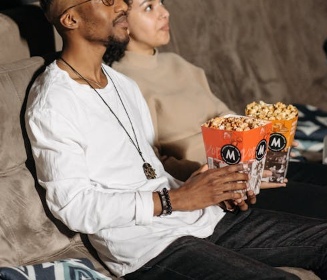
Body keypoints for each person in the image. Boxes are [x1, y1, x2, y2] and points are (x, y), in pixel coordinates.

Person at [26, 0, 327, 279]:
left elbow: (151, 166)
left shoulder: (122, 84)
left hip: (201, 217)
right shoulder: (53, 103)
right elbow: (73, 206)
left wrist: (214, 186)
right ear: (71, 18)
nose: (121, 5)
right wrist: (177, 199)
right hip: (149, 247)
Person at [103, 0, 327, 219]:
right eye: (149, 7)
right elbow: (152, 162)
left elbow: (228, 118)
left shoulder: (177, 62)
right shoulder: (122, 83)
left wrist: (265, 137)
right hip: (218, 184)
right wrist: (215, 176)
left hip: (250, 163)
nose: (165, 13)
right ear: (122, 21)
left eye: (161, 3)